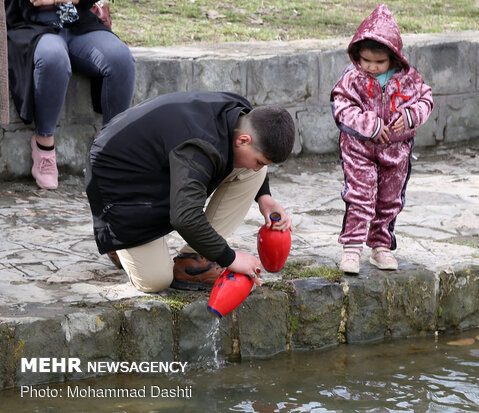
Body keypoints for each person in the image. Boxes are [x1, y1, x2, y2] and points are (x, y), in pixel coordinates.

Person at [85, 91, 295, 293]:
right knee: (156, 280)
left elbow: (251, 165)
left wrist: (264, 197)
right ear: (243, 140)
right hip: (118, 178)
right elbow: (185, 217)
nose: (259, 167)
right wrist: (230, 258)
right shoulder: (201, 147)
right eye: (259, 161)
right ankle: (119, 241)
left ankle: (194, 262)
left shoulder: (241, 115)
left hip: (157, 164)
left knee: (251, 173)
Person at [330, 4, 433, 274]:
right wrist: (371, 125)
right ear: (357, 56)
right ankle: (352, 248)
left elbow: (426, 101)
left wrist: (410, 116)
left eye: (379, 62)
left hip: (396, 151)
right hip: (359, 150)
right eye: (366, 60)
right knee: (360, 197)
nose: (372, 67)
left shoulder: (409, 79)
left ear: (394, 57)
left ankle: (381, 246)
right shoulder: (352, 80)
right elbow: (342, 108)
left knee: (389, 200)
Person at [5, 0, 135, 190]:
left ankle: (110, 146)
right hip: (32, 26)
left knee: (121, 59)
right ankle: (44, 145)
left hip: (78, 23)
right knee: (53, 58)